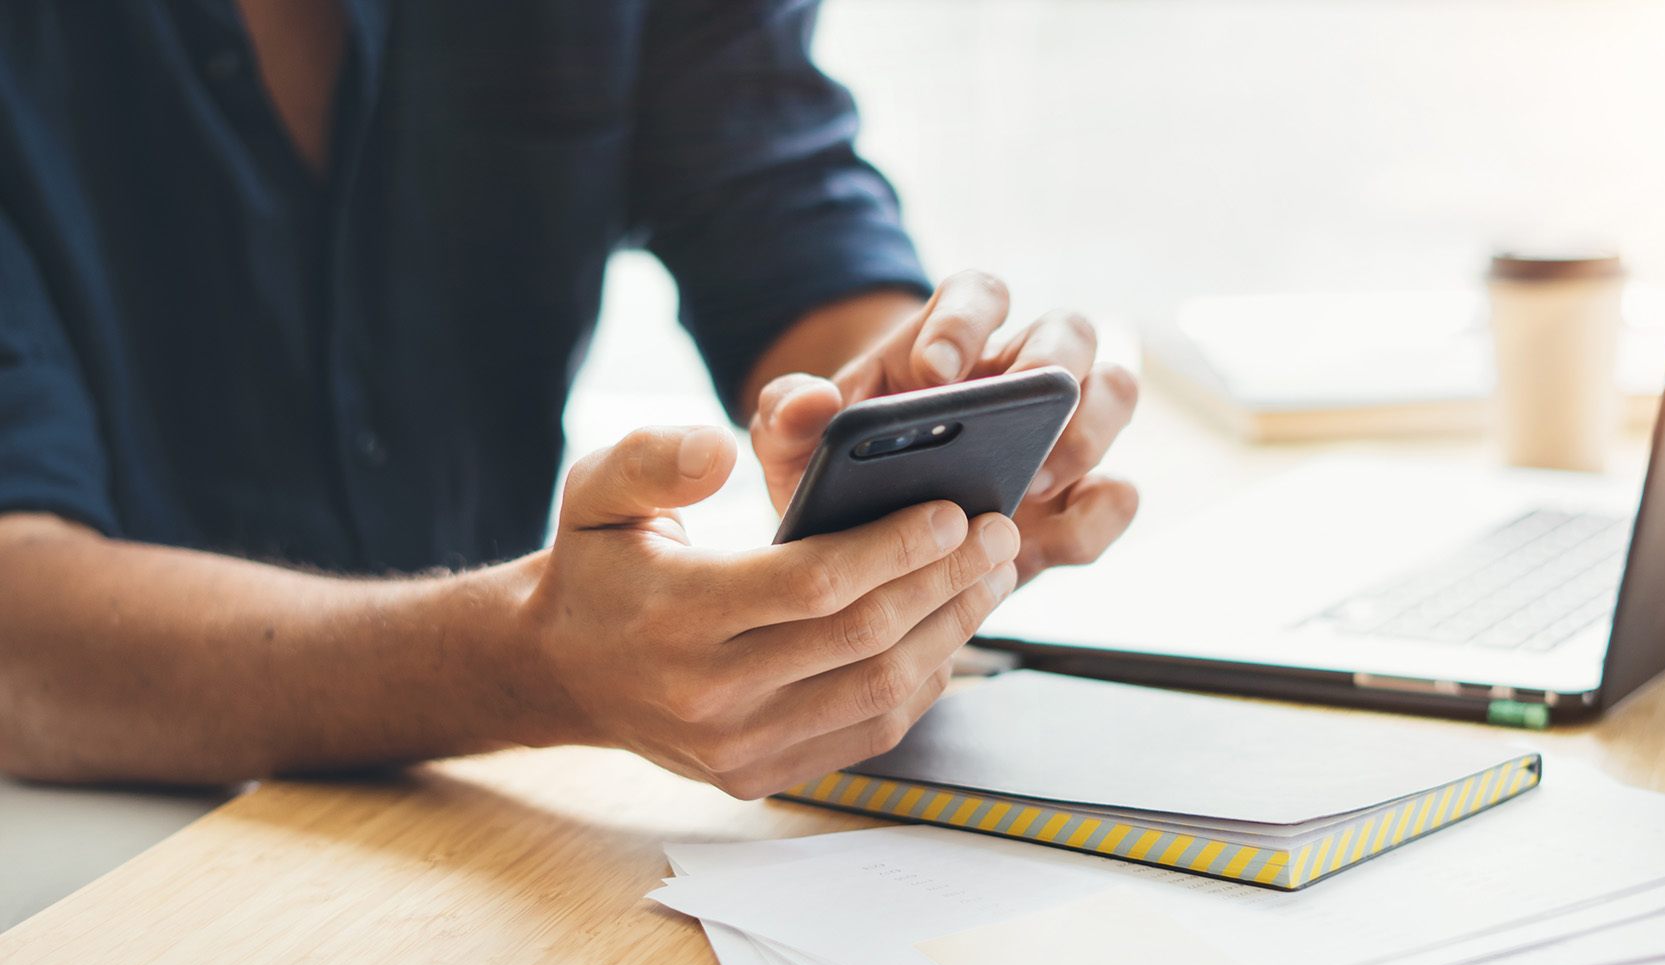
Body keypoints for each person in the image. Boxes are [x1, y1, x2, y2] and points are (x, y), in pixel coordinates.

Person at [0, 1, 1138, 797]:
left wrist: (930, 406)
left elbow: (780, 207)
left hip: (461, 803)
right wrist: (525, 660)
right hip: (79, 828)